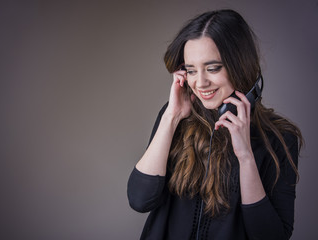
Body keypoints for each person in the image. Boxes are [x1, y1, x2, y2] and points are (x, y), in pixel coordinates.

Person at [127, 9, 303, 240]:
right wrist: (171, 117)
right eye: (191, 70)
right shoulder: (174, 118)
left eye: (213, 68)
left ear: (240, 65)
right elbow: (140, 200)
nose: (200, 83)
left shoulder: (280, 138)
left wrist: (246, 157)